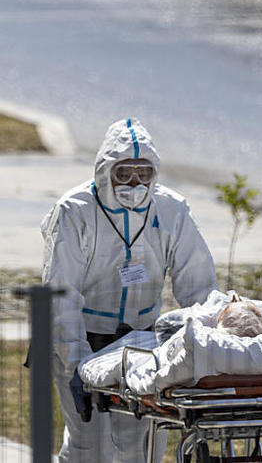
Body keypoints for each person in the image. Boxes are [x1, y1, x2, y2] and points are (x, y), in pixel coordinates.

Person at [41, 118, 218, 462]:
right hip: (82, 338)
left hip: (142, 343)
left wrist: (206, 342)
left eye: (144, 173)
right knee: (88, 448)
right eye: (124, 173)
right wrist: (77, 365)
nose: (135, 183)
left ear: (155, 173)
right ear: (105, 171)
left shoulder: (172, 209)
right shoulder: (74, 211)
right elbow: (61, 298)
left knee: (144, 446)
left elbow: (199, 287)